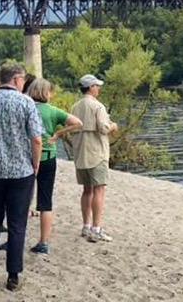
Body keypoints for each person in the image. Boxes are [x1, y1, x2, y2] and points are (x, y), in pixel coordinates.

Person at [0, 63, 43, 292]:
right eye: (22, 79)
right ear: (17, 79)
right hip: (20, 172)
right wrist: (35, 163)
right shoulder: (26, 102)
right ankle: (13, 275)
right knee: (16, 224)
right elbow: (36, 138)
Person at [26, 78, 82, 254]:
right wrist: (58, 133)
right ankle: (43, 241)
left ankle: (15, 237)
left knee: (20, 198)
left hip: (27, 157)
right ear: (45, 93)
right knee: (45, 200)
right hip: (48, 156)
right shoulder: (52, 111)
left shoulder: (26, 108)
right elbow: (78, 123)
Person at [70, 74, 118, 243]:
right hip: (97, 153)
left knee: (86, 190)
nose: (98, 89)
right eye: (97, 86)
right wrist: (113, 126)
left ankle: (86, 226)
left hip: (81, 153)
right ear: (91, 87)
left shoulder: (75, 106)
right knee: (99, 189)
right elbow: (104, 128)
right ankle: (96, 228)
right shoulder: (98, 106)